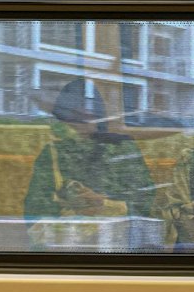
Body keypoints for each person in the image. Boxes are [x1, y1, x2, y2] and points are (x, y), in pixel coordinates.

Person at [23, 78, 157, 222]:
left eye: (92, 111)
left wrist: (106, 205)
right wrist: (70, 208)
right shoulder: (53, 152)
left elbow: (145, 201)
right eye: (75, 112)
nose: (85, 115)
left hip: (116, 238)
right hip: (67, 236)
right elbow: (35, 209)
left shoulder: (123, 148)